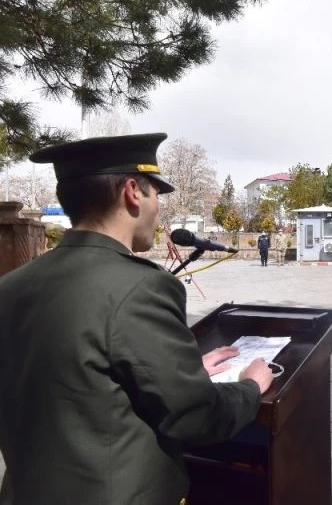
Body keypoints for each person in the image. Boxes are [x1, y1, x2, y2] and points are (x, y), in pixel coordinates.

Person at [0, 134, 273, 504]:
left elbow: (83, 380)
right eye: (156, 193)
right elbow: (198, 417)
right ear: (132, 192)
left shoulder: (10, 285)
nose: (158, 209)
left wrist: (186, 370)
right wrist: (251, 386)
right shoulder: (143, 287)